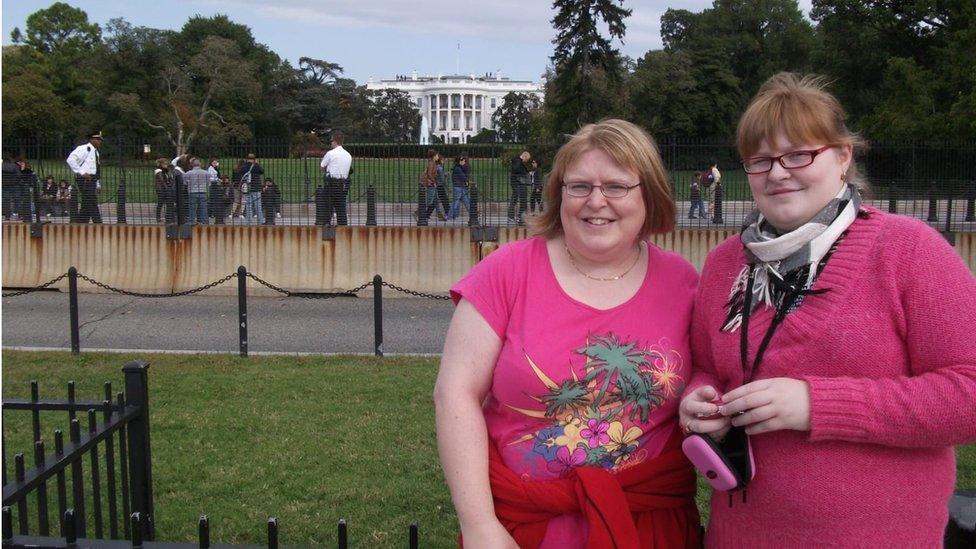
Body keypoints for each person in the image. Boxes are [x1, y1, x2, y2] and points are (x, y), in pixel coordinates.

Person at [678, 72, 976, 547]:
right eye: (760, 160)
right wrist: (701, 398)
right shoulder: (723, 263)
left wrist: (817, 405)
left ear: (843, 157)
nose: (777, 172)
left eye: (799, 154)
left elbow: (968, 394)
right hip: (740, 533)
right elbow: (706, 367)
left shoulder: (909, 252)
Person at [435, 119, 701, 548]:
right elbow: (455, 394)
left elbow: (710, 377)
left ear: (648, 194)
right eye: (579, 186)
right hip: (523, 526)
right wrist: (480, 525)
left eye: (616, 186)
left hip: (645, 527)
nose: (596, 201)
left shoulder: (683, 283)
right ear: (560, 194)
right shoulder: (507, 271)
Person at [65, 131, 104, 223]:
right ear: (92, 139)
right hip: (85, 179)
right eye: (98, 139)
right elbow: (71, 160)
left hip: (92, 179)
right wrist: (82, 172)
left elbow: (96, 169)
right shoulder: (84, 149)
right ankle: (98, 223)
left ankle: (81, 223)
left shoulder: (96, 152)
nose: (100, 142)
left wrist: (97, 184)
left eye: (100, 140)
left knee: (87, 203)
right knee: (92, 200)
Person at [319, 131, 352, 226]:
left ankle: (326, 227)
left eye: (331, 140)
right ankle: (343, 228)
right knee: (341, 208)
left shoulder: (330, 153)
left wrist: (328, 169)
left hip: (331, 184)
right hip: (343, 185)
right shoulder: (348, 155)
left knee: (328, 207)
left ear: (335, 141)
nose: (330, 142)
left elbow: (321, 166)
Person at [417, 149, 440, 226]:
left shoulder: (433, 163)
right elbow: (430, 174)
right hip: (431, 184)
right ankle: (419, 213)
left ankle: (426, 215)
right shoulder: (432, 163)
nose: (438, 157)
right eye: (437, 155)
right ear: (434, 156)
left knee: (434, 201)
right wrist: (434, 182)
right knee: (429, 201)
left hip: (432, 183)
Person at [184, 158, 210, 225]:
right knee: (203, 207)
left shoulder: (188, 173)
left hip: (192, 192)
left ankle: (191, 221)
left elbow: (185, 183)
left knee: (192, 207)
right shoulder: (206, 173)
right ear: (200, 164)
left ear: (192, 165)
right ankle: (204, 221)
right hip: (203, 191)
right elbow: (208, 183)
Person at [507, 150, 530, 224]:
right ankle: (518, 217)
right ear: (524, 156)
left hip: (518, 183)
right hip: (517, 183)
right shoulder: (518, 161)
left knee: (515, 199)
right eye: (527, 159)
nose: (526, 161)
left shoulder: (518, 161)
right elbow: (516, 169)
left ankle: (514, 216)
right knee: (519, 199)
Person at [241, 153, 264, 224]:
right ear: (254, 159)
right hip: (256, 188)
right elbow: (262, 171)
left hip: (247, 188)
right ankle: (260, 222)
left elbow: (241, 173)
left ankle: (248, 222)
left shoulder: (244, 166)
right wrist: (257, 163)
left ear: (246, 159)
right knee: (258, 206)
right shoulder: (256, 166)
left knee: (248, 206)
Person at [446, 155, 471, 221]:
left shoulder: (458, 168)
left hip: (461, 187)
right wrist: (468, 181)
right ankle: (449, 217)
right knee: (455, 203)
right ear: (459, 161)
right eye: (463, 160)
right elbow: (464, 177)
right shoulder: (457, 168)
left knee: (467, 202)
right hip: (458, 188)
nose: (464, 161)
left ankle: (473, 215)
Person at [154, 158, 175, 223]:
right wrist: (167, 188)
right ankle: (158, 218)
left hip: (165, 189)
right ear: (161, 164)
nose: (166, 165)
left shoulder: (165, 171)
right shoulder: (158, 170)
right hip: (161, 190)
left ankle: (169, 217)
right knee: (160, 203)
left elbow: (170, 179)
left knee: (169, 203)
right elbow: (162, 180)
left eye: (167, 164)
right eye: (165, 164)